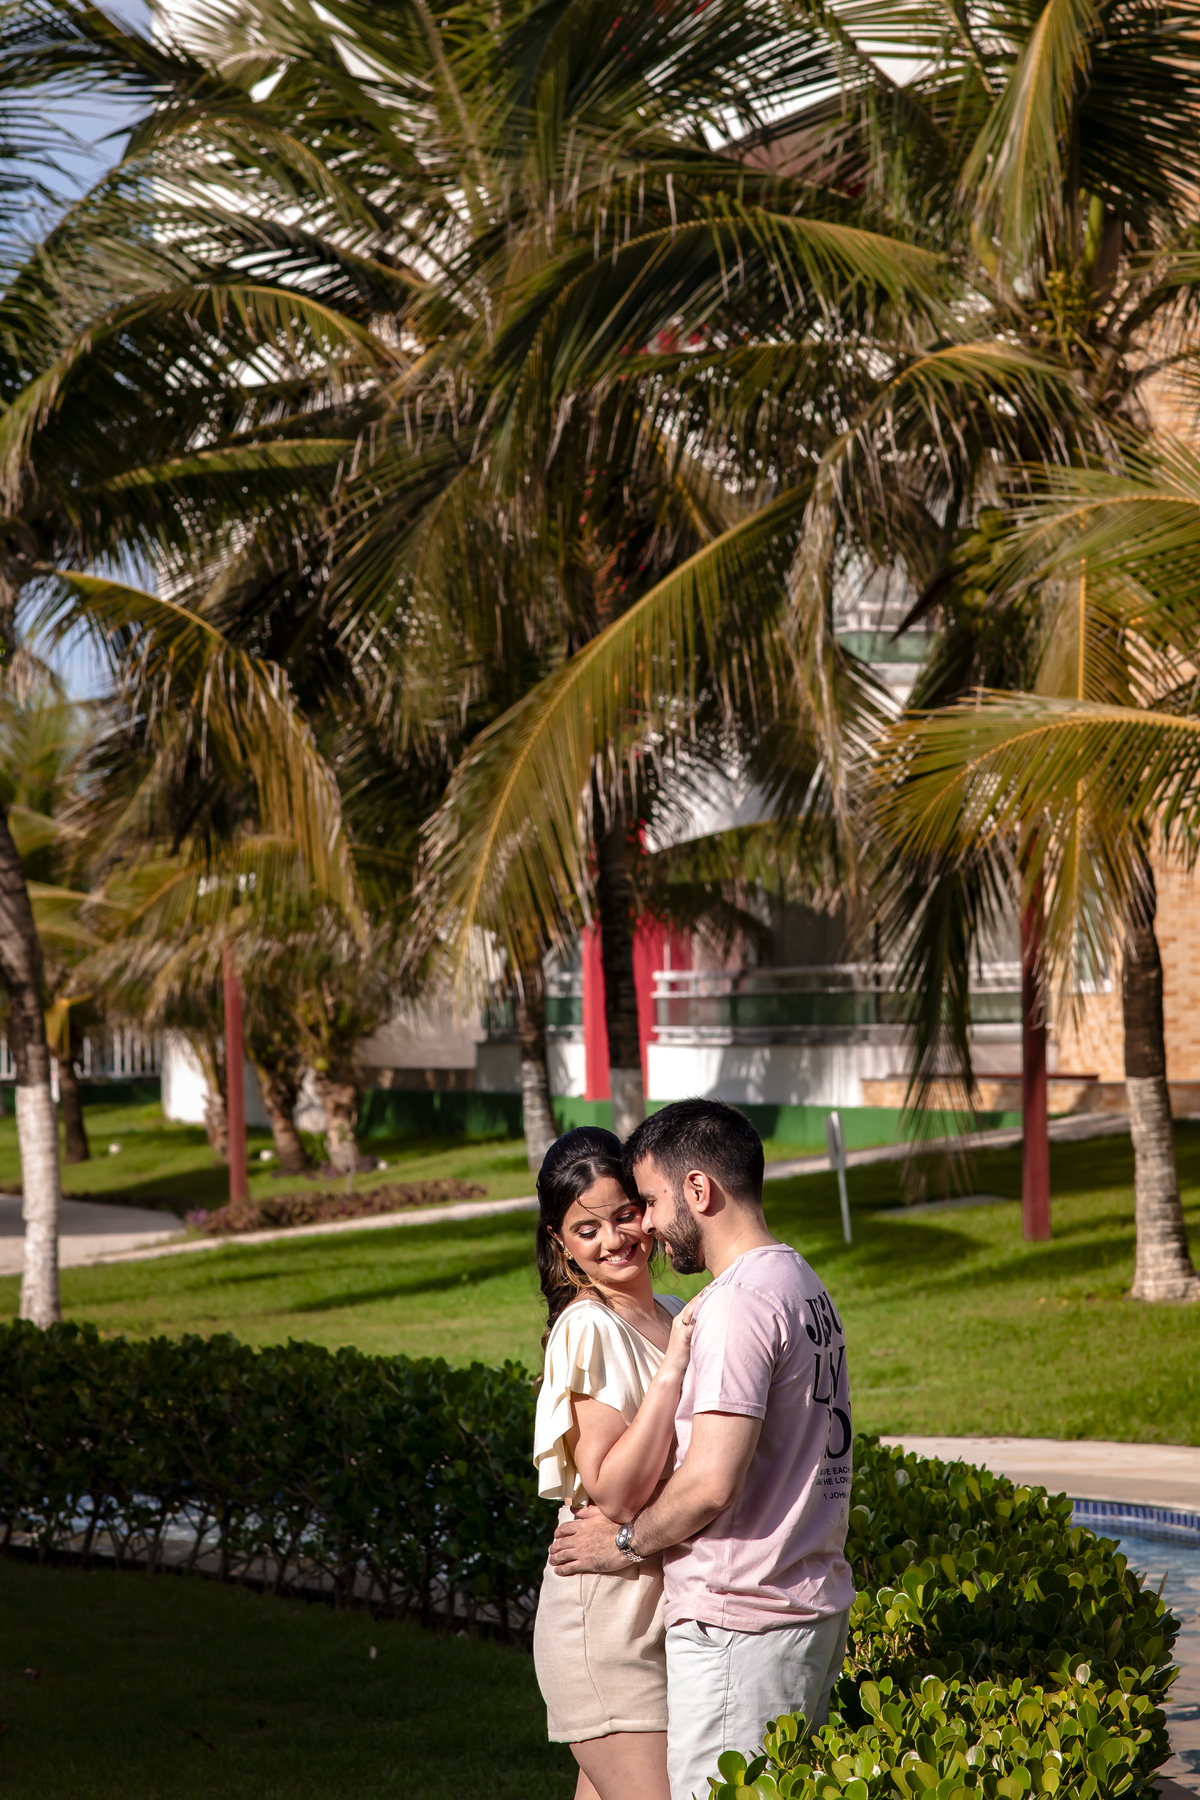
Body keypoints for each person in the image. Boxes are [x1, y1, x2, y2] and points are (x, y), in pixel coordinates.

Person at [549, 1099, 854, 1800]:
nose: (648, 1224)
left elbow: (712, 1480)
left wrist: (622, 1543)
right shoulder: (801, 1282)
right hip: (801, 1604)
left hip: (744, 1619)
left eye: (649, 1202)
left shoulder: (736, 1304)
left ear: (697, 1190)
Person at [531, 1126, 698, 1800]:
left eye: (625, 1214)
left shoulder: (673, 1310)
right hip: (609, 1625)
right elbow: (615, 1494)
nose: (613, 1240)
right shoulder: (589, 1327)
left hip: (664, 1610)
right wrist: (674, 1367)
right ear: (560, 1242)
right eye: (587, 1228)